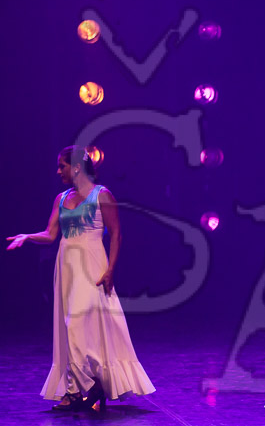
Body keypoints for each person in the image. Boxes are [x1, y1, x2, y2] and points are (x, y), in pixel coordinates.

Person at [6, 146, 155, 411]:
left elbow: (116, 234)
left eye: (61, 166)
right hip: (67, 266)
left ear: (76, 167)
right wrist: (27, 237)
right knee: (71, 327)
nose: (58, 171)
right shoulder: (61, 198)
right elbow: (51, 234)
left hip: (92, 265)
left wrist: (110, 270)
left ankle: (82, 388)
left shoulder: (102, 195)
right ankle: (83, 388)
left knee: (81, 325)